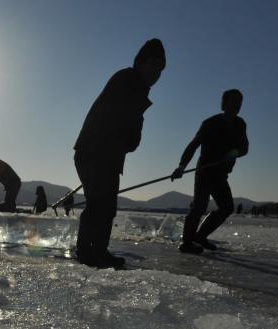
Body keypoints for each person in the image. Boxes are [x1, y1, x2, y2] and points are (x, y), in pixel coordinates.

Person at [73, 38, 165, 268]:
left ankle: (96, 251)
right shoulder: (127, 80)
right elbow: (120, 123)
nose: (157, 73)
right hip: (95, 153)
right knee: (99, 205)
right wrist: (130, 136)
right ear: (141, 62)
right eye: (154, 65)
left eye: (161, 69)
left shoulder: (136, 88)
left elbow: (130, 137)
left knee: (105, 206)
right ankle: (88, 253)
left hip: (107, 156)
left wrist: (130, 137)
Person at [172, 88, 249, 254]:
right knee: (199, 206)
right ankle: (186, 243)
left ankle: (200, 236)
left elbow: (245, 148)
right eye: (234, 101)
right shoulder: (210, 123)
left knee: (227, 207)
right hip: (205, 171)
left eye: (240, 102)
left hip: (221, 173)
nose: (237, 105)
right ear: (224, 103)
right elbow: (193, 145)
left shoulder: (240, 124)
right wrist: (181, 166)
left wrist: (236, 152)